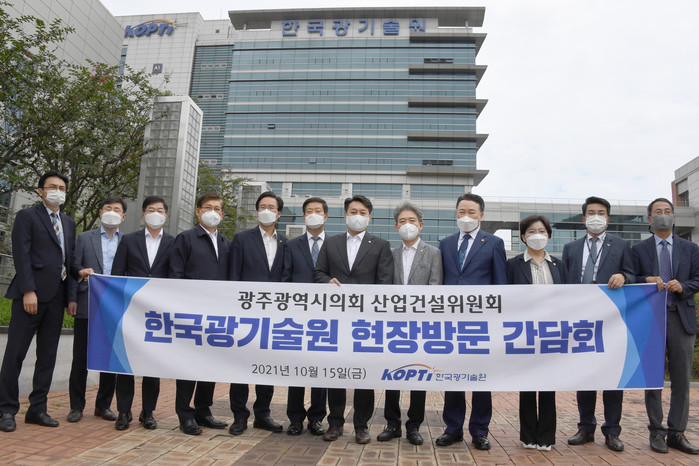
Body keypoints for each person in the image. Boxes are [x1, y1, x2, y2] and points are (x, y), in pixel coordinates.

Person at [0, 171, 77, 432]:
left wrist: (71, 296)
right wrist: (28, 290)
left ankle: (38, 409)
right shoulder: (27, 216)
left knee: (47, 356)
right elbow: (21, 255)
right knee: (15, 354)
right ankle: (6, 410)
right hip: (30, 297)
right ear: (41, 191)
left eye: (62, 188)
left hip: (57, 298)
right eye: (52, 186)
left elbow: (68, 261)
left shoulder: (68, 223)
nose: (58, 191)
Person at [314, 194, 394, 444]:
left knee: (364, 373)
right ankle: (335, 423)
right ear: (345, 215)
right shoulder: (331, 243)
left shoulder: (380, 245)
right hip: (336, 319)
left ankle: (361, 425)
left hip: (365, 321)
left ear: (370, 218)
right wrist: (327, 281)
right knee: (336, 371)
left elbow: (385, 282)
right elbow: (318, 272)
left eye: (362, 213)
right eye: (353, 212)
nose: (357, 216)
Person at [563, 196, 634, 452]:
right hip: (581, 318)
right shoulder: (571, 248)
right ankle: (585, 428)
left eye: (601, 212)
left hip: (611, 318)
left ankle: (612, 431)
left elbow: (633, 274)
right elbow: (564, 282)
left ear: (608, 218)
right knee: (586, 375)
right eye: (591, 212)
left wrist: (623, 275)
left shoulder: (622, 245)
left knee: (612, 376)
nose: (596, 216)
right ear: (584, 219)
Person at [436, 193, 506, 449]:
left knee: (480, 378)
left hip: (481, 323)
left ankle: (479, 430)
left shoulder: (494, 243)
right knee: (453, 376)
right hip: (452, 322)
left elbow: (500, 284)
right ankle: (453, 428)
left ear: (481, 215)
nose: (466, 216)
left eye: (471, 212)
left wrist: (497, 320)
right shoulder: (445, 243)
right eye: (461, 211)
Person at [632, 198, 699, 455]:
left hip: (681, 317)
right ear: (649, 219)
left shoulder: (690, 248)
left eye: (668, 211)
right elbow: (632, 278)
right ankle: (656, 431)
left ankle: (677, 433)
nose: (664, 215)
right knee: (653, 379)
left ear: (674, 217)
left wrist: (684, 286)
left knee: (681, 380)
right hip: (651, 320)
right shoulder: (639, 250)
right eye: (658, 212)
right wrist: (646, 279)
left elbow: (697, 278)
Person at [377, 202, 442, 446]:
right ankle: (392, 424)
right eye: (402, 221)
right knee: (392, 375)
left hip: (420, 325)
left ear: (421, 225)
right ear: (396, 227)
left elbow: (435, 287)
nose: (407, 225)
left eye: (412, 221)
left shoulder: (433, 253)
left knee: (418, 374)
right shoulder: (389, 253)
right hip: (394, 325)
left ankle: (414, 425)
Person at [109, 196, 174, 431]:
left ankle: (148, 412)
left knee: (152, 365)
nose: (155, 214)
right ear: (143, 214)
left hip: (158, 314)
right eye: (151, 210)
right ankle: (123, 412)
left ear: (166, 215)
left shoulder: (173, 242)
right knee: (126, 364)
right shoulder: (128, 240)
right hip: (131, 311)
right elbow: (117, 274)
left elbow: (175, 277)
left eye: (160, 210)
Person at [228, 191, 290, 436]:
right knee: (240, 366)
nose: (266, 210)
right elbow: (234, 276)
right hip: (245, 314)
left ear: (279, 213)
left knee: (267, 366)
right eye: (262, 206)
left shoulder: (285, 243)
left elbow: (286, 278)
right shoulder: (242, 239)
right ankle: (239, 416)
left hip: (273, 316)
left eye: (271, 207)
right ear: (257, 211)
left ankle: (263, 414)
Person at [169, 193, 230, 435]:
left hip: (217, 315)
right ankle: (184, 414)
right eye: (207, 207)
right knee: (188, 365)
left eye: (217, 208)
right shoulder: (185, 239)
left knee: (209, 365)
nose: (212, 212)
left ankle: (203, 411)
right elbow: (175, 274)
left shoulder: (226, 243)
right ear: (198, 211)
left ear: (222, 214)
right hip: (191, 314)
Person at [506, 215, 567, 451]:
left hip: (552, 331)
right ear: (523, 237)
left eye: (541, 231)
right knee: (528, 385)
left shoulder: (559, 265)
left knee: (549, 385)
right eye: (531, 231)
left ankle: (546, 437)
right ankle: (528, 436)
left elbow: (570, 296)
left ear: (549, 235)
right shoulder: (513, 264)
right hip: (525, 331)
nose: (537, 235)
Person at [66, 195, 126, 424]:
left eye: (116, 209)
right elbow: (74, 267)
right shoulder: (84, 238)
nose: (112, 212)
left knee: (109, 359)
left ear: (123, 216)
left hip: (114, 306)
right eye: (107, 208)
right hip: (86, 301)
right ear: (100, 212)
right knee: (80, 358)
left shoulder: (128, 241)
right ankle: (76, 407)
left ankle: (103, 405)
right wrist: (72, 298)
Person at [284, 197, 328, 437]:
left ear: (326, 216)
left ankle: (317, 418)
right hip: (297, 316)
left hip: (325, 317)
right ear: (303, 217)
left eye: (317, 210)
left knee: (320, 368)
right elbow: (285, 277)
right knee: (297, 368)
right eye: (309, 211)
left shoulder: (336, 245)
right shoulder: (292, 245)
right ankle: (295, 418)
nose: (313, 214)